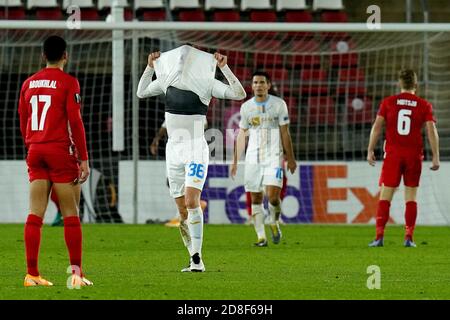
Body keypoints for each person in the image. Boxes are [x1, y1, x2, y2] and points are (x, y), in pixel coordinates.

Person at [137, 45, 246, 272]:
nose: (181, 61)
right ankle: (193, 257)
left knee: (191, 202)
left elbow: (239, 94)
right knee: (182, 210)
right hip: (173, 151)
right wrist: (149, 67)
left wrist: (224, 68)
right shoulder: (166, 80)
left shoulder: (206, 83)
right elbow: (142, 91)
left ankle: (197, 258)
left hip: (195, 148)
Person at [18, 35, 93, 286]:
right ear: (65, 56)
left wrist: (31, 144)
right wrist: (83, 158)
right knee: (71, 213)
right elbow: (76, 121)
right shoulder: (68, 83)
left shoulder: (28, 83)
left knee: (35, 213)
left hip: (35, 149)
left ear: (43, 56)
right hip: (60, 151)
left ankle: (32, 274)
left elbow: (23, 120)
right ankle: (76, 274)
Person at [367, 69, 440, 248]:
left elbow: (377, 127)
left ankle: (379, 237)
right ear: (416, 85)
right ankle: (408, 237)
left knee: (386, 195)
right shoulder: (424, 105)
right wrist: (436, 156)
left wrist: (370, 149)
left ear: (400, 83)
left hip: (393, 154)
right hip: (413, 155)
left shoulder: (389, 102)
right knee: (411, 197)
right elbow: (431, 130)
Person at [231, 71, 296, 247]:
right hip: (253, 157)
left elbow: (285, 132)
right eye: (255, 82)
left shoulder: (279, 104)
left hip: (274, 156)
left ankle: (274, 221)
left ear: (268, 85)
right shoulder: (246, 108)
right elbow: (242, 134)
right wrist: (235, 159)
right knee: (256, 198)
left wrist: (290, 158)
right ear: (251, 86)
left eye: (262, 82)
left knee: (273, 197)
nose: (258, 85)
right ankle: (261, 237)